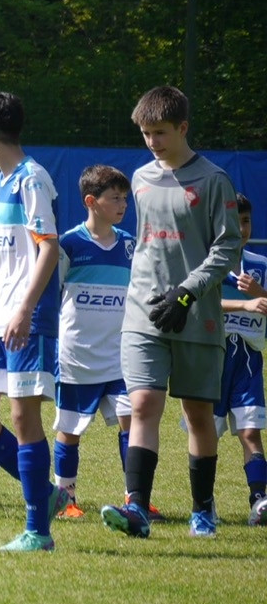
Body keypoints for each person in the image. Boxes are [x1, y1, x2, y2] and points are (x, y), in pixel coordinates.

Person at [102, 86, 241, 539]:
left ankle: (203, 509)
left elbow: (228, 247)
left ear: (183, 127)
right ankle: (137, 509)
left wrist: (187, 292)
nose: (152, 142)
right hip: (144, 313)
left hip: (196, 314)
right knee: (143, 404)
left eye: (160, 132)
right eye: (146, 134)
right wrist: (154, 295)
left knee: (198, 414)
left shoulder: (214, 180)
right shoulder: (141, 178)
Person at [0, 91, 64, 552]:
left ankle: (38, 530)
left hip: (25, 317)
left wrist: (24, 309)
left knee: (23, 416)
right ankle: (47, 494)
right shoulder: (3, 179)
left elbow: (49, 247)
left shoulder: (31, 179)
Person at [52, 165, 151, 519]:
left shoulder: (129, 245)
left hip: (120, 354)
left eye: (125, 198)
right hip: (77, 356)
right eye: (115, 198)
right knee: (70, 429)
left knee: (133, 421)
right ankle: (65, 499)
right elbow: (53, 294)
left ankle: (135, 499)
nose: (123, 205)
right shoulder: (68, 244)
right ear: (91, 202)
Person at [215, 193, 267, 525]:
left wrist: (259, 294)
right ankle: (204, 502)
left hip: (248, 361)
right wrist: (244, 303)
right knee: (206, 433)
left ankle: (259, 501)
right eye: (234, 222)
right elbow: (197, 303)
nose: (241, 228)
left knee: (251, 432)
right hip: (212, 358)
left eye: (245, 221)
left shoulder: (260, 266)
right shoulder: (208, 264)